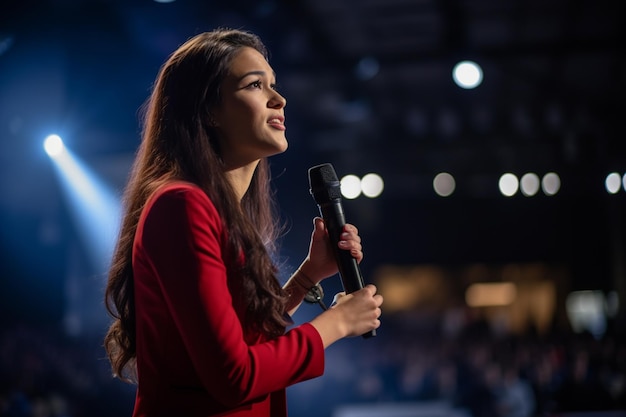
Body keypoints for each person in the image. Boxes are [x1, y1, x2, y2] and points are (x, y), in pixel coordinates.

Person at [103, 27, 383, 417]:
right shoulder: (181, 206)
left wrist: (307, 277)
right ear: (208, 110)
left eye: (274, 85)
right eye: (255, 85)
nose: (279, 99)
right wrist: (337, 323)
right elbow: (233, 375)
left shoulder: (211, 209)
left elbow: (236, 339)